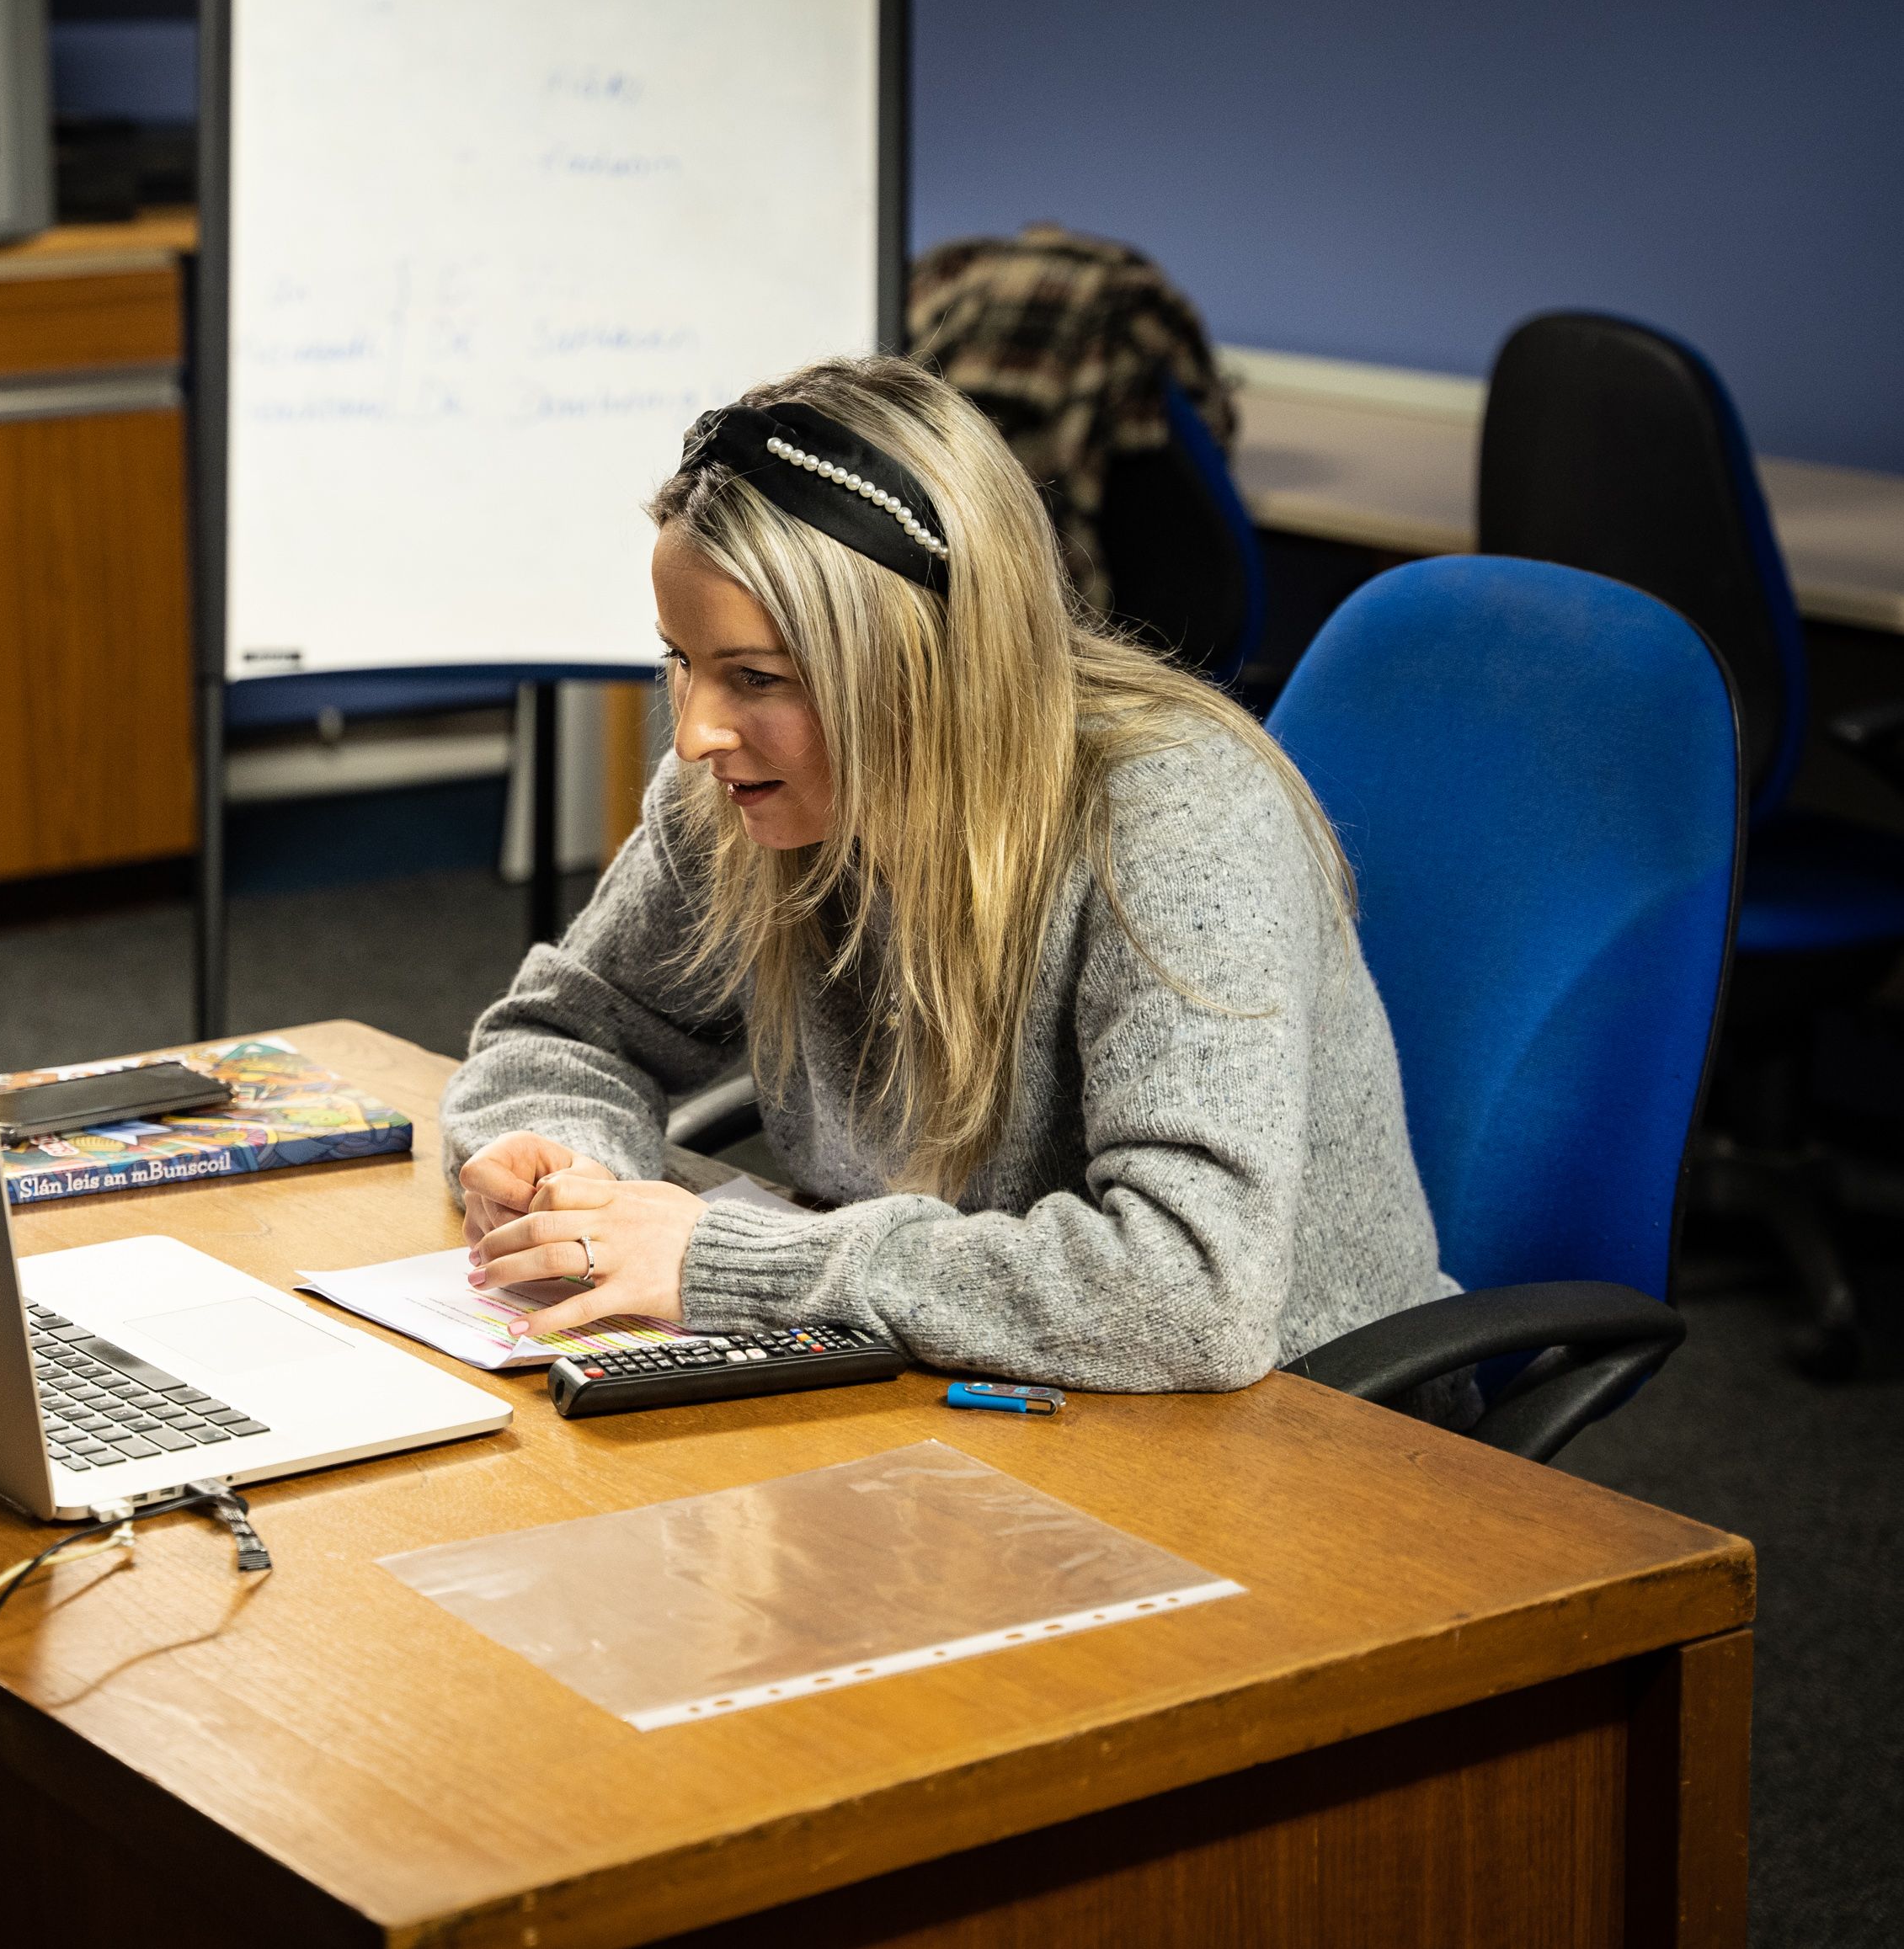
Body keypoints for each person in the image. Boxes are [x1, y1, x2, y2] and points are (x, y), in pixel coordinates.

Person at [443, 354, 1456, 1393]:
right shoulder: (746, 786)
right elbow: (569, 1031)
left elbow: (1190, 1290)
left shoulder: (1174, 814)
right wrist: (562, 1166)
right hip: (976, 1379)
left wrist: (723, 1262)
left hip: (1309, 1417)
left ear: (920, 665)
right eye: (681, 659)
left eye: (755, 676)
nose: (696, 731)